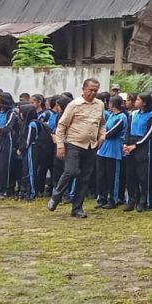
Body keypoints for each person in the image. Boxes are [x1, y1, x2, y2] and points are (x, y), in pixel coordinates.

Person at [48, 79, 106, 219]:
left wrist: (102, 136)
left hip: (91, 145)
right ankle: (56, 196)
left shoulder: (100, 105)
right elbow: (61, 126)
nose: (92, 93)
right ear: (84, 89)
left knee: (84, 177)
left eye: (95, 90)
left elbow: (102, 123)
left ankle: (77, 208)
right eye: (90, 90)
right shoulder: (74, 105)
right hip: (74, 143)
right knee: (71, 171)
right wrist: (60, 145)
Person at [96, 95, 128, 210]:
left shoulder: (121, 117)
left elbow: (113, 132)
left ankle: (113, 199)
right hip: (103, 149)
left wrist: (102, 136)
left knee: (112, 176)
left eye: (110, 103)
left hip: (114, 150)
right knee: (101, 175)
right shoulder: (110, 116)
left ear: (114, 104)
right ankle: (102, 197)